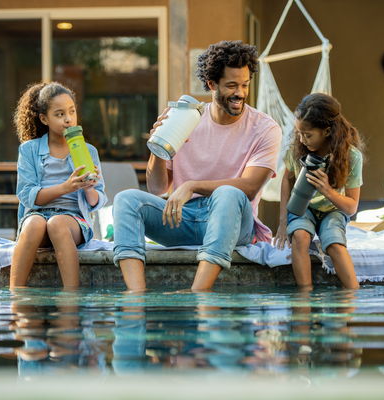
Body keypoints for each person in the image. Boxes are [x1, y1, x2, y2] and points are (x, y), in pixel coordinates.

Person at [113, 40, 282, 291]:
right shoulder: (186, 119)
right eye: (231, 85)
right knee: (125, 200)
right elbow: (157, 187)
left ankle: (198, 293)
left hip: (233, 222)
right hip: (181, 219)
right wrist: (158, 146)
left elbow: (250, 187)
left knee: (228, 193)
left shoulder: (265, 128)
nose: (240, 93)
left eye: (245, 85)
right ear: (212, 85)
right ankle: (137, 296)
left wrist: (192, 186)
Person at [11, 82, 107, 287]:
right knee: (35, 224)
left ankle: (71, 300)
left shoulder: (88, 151)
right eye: (60, 114)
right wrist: (66, 187)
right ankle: (15, 296)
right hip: (37, 214)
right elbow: (27, 195)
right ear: (44, 119)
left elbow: (96, 201)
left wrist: (89, 187)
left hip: (73, 221)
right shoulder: (28, 150)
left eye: (71, 111)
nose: (68, 119)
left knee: (57, 223)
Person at [274, 93, 364, 289]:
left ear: (327, 131)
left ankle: (353, 297)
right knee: (300, 236)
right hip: (302, 206)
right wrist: (282, 223)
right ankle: (304, 297)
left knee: (334, 244)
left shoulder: (351, 157)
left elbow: (351, 207)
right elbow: (286, 181)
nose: (302, 139)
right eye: (299, 133)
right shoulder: (298, 149)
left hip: (333, 208)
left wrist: (328, 191)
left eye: (307, 135)